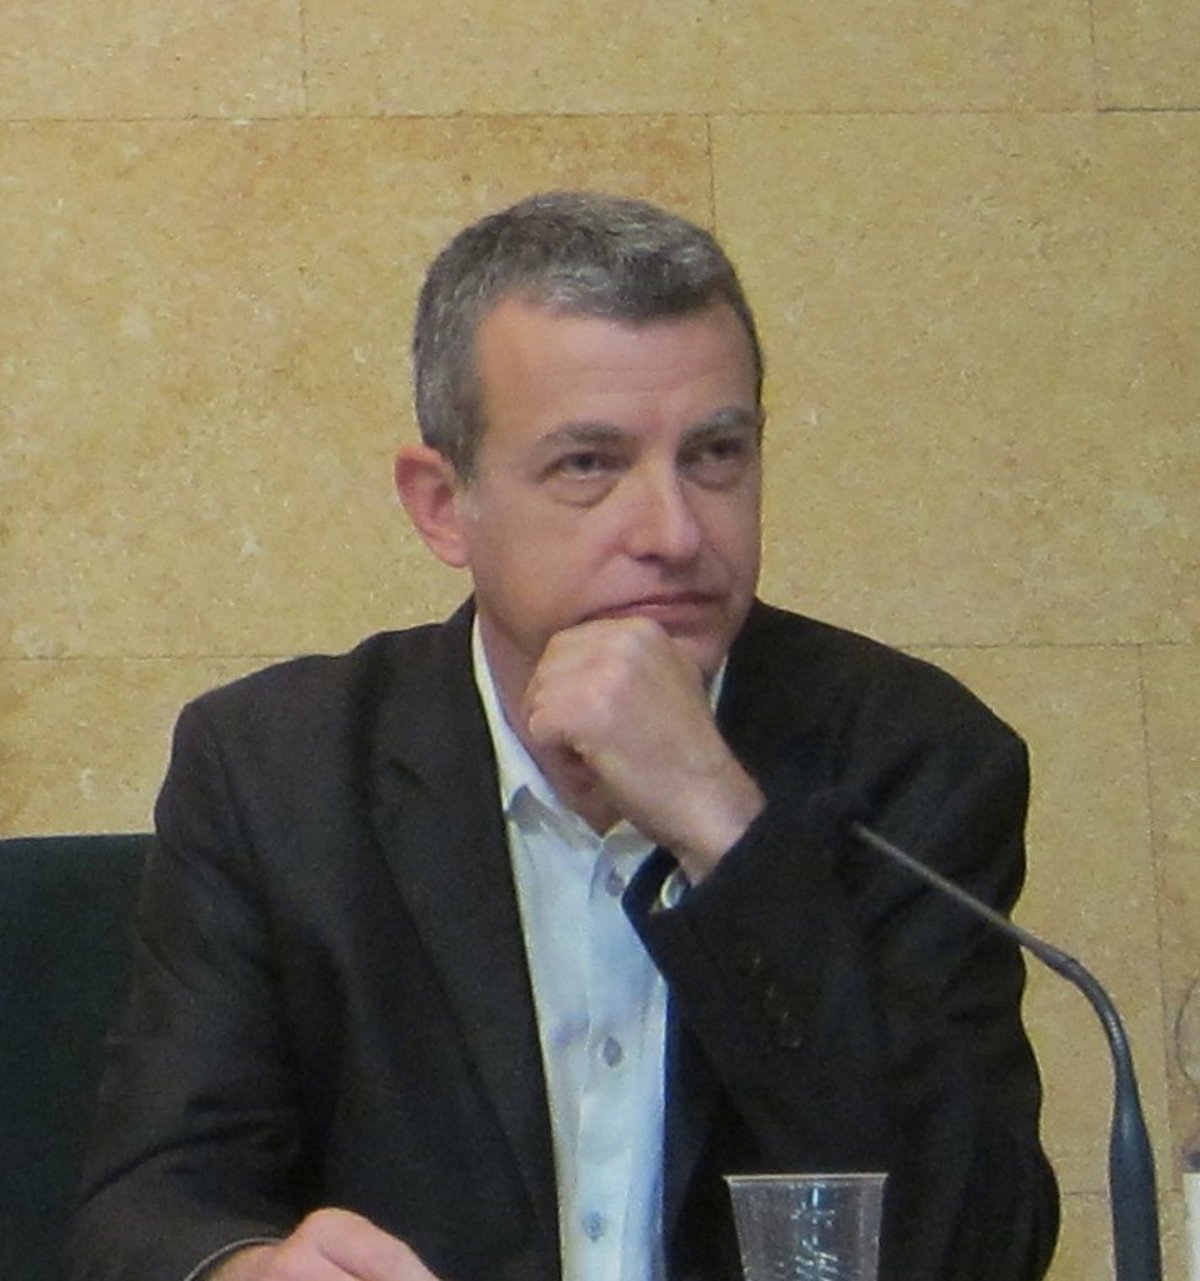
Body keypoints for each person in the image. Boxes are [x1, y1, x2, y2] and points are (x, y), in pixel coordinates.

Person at [72, 191, 1059, 1281]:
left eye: (715, 454)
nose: (673, 532)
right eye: (589, 464)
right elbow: (149, 1207)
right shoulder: (277, 770)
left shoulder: (913, 762)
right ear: (442, 504)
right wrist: (247, 1272)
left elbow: (977, 1243)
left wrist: (727, 831)